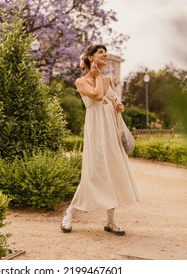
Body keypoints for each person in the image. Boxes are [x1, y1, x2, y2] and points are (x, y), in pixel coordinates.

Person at [60, 44, 141, 235]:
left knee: (112, 171)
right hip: (96, 129)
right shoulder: (81, 81)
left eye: (106, 52)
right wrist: (97, 76)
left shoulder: (109, 80)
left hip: (111, 129)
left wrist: (118, 105)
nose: (105, 55)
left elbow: (112, 101)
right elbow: (96, 96)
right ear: (90, 58)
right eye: (100, 52)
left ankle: (111, 222)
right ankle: (69, 213)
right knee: (92, 173)